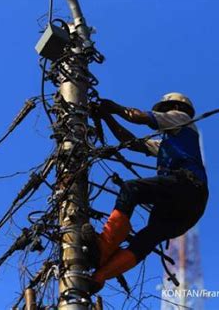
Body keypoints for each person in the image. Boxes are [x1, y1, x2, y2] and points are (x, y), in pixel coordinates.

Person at [90, 92, 209, 292]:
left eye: (164, 110)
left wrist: (114, 107)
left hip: (187, 186)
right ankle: (100, 275)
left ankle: (103, 248)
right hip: (188, 210)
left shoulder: (181, 119)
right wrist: (107, 117)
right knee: (147, 237)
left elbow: (138, 117)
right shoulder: (167, 144)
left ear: (177, 108)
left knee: (131, 189)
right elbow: (131, 141)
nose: (162, 114)